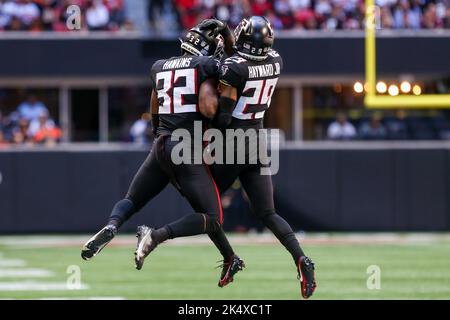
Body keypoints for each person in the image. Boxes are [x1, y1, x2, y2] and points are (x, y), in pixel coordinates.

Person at [139, 16, 317, 299]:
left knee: (206, 209)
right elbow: (241, 58)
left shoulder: (233, 69)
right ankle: (301, 259)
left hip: (233, 143)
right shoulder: (275, 60)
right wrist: (227, 41)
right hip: (257, 142)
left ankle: (158, 236)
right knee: (268, 213)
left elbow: (222, 115)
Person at [81, 22, 244, 287]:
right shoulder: (205, 65)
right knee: (212, 217)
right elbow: (234, 66)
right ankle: (154, 236)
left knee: (132, 200)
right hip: (185, 146)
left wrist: (160, 135)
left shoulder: (158, 67)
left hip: (160, 144)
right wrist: (226, 33)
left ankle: (112, 224)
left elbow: (154, 108)